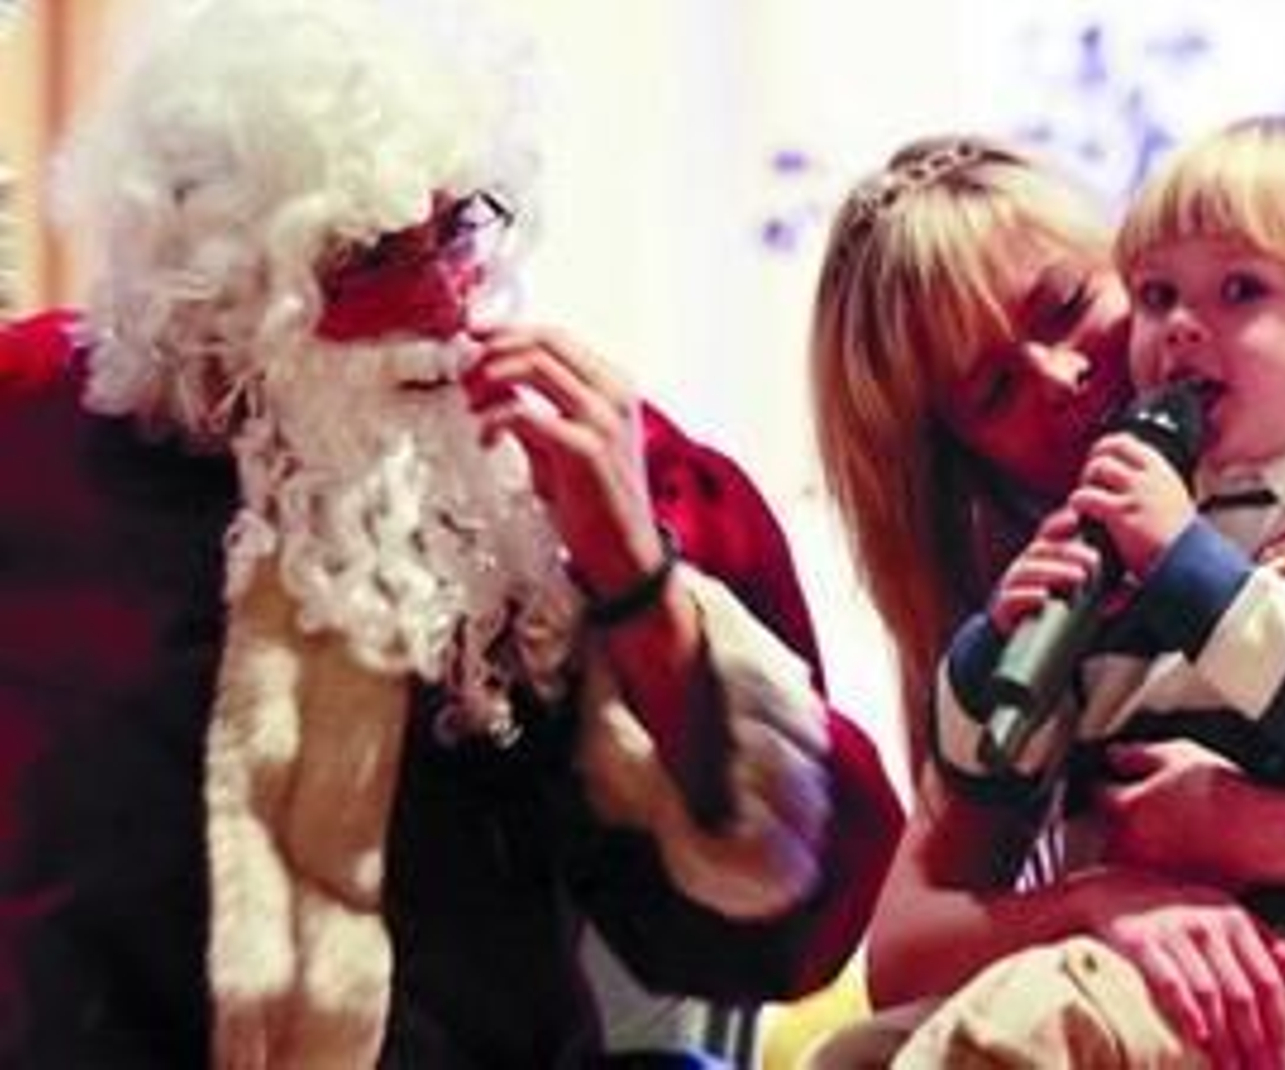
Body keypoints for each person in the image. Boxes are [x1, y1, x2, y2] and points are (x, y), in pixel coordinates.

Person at [0, 0, 903, 1066]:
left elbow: (792, 928)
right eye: (369, 254)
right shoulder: (38, 433)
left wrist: (636, 585)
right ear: (224, 278)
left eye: (460, 226)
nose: (444, 302)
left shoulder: (582, 465)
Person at [807, 132, 1285, 1067]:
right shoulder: (1072, 587)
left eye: (1067, 305)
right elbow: (905, 947)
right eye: (993, 390)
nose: (1062, 378)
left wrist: (1235, 831)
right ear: (963, 457)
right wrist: (1100, 901)